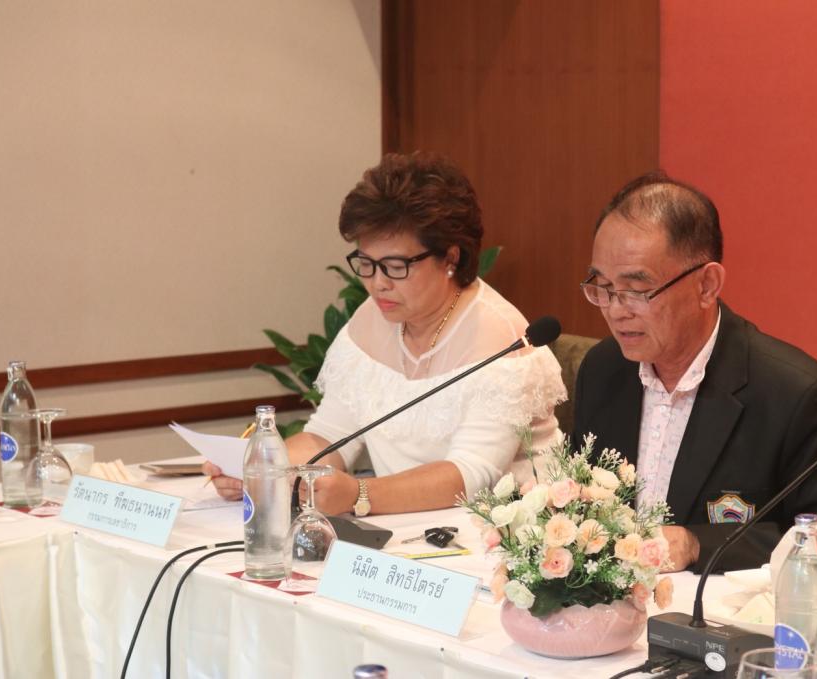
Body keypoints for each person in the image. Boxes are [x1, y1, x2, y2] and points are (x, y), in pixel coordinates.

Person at [207, 152, 565, 515]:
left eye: (395, 266)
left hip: (507, 530)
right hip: (405, 528)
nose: (378, 283)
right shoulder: (372, 318)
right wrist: (263, 470)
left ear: (450, 258)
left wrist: (359, 494)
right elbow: (327, 437)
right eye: (366, 263)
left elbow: (473, 474)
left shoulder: (501, 336)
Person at [572, 171, 817, 573]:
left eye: (637, 290)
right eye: (603, 287)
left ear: (707, 285)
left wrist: (696, 543)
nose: (615, 309)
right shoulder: (604, 369)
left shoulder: (796, 395)